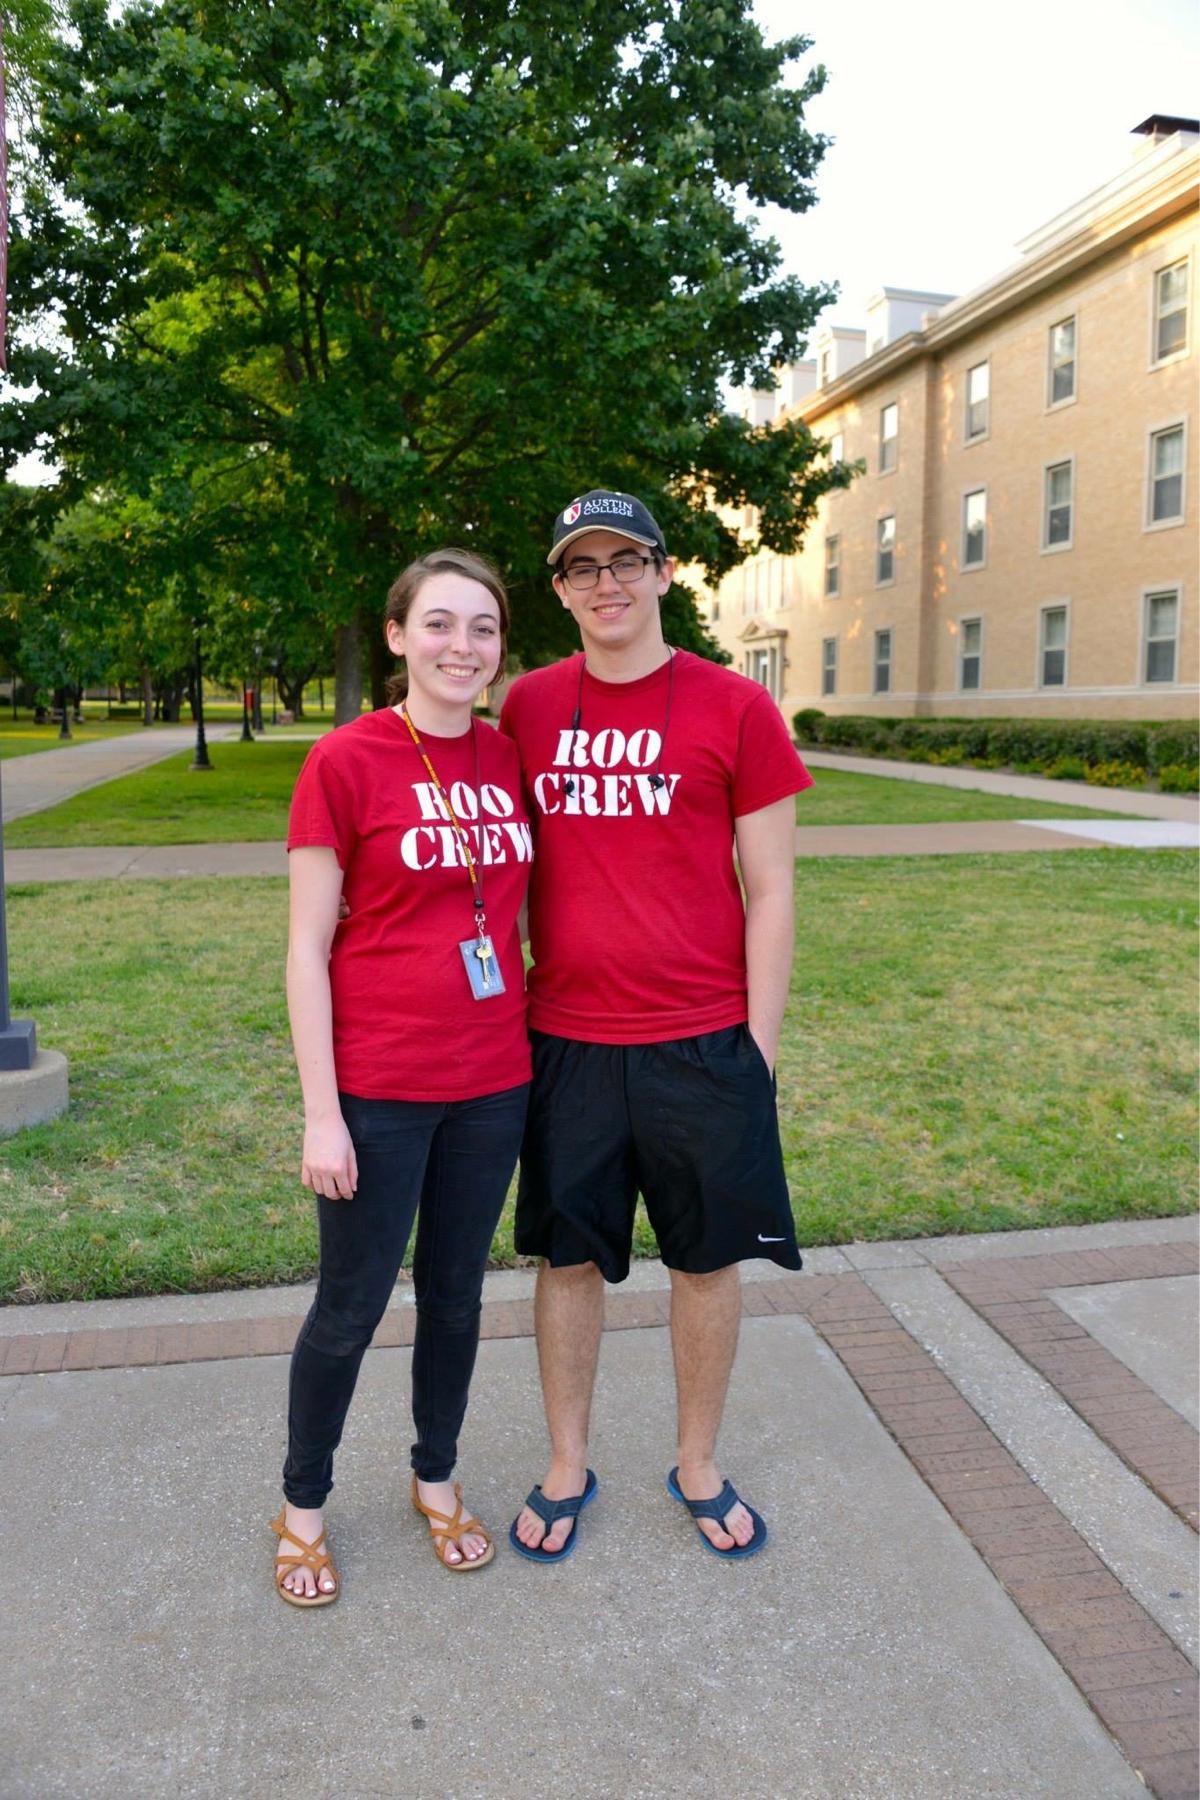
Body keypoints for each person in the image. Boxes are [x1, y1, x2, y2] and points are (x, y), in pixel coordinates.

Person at [500, 489, 811, 1563]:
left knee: (706, 1263)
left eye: (626, 559)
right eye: (582, 567)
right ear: (560, 590)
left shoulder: (736, 708)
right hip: (568, 1042)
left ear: (666, 571)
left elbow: (770, 889)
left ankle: (697, 1461)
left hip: (702, 1042)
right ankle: (567, 1461)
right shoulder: (529, 709)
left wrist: (756, 1048)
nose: (608, 583)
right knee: (568, 1261)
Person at [271, 548, 533, 1606]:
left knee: (459, 1302)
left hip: (493, 1085)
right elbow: (303, 950)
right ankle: (301, 1508)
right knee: (350, 1307)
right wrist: (322, 1115)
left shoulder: (511, 760)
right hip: (377, 1091)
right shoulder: (347, 761)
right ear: (396, 637)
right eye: (438, 624)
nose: (460, 646)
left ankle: (436, 1477)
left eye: (481, 627)